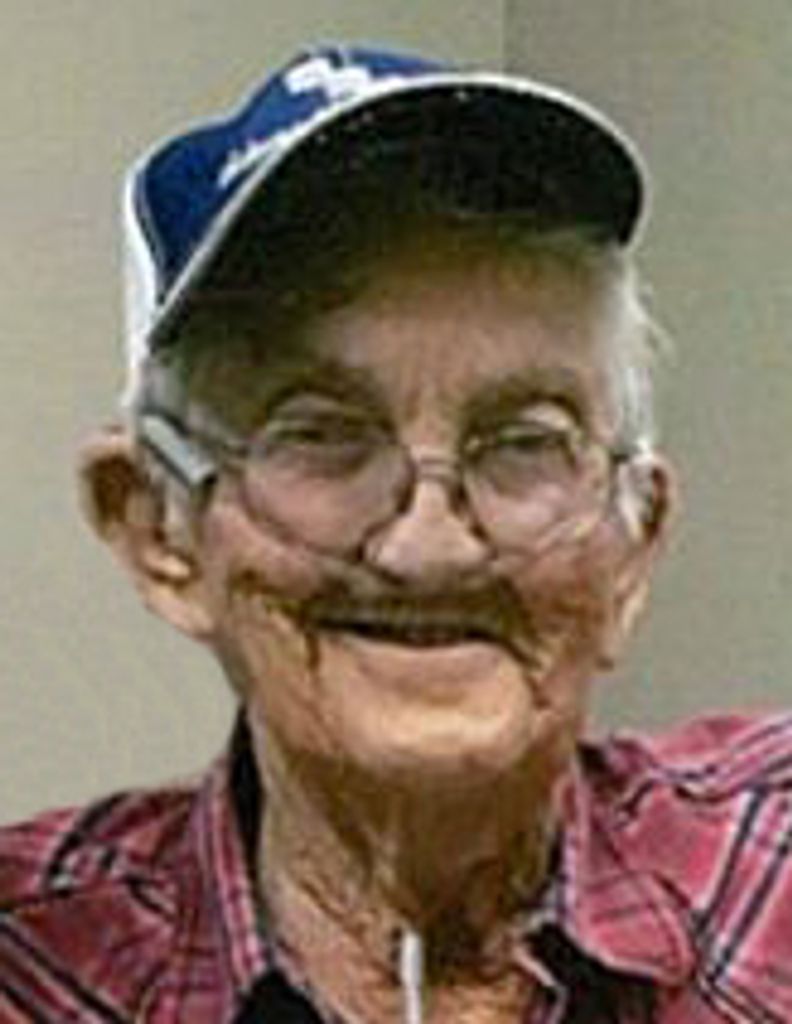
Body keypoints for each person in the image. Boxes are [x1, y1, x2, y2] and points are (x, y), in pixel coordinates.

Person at [1, 42, 791, 1024]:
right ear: (159, 526)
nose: (430, 547)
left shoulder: (769, 872)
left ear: (633, 544)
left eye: (524, 442)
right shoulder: (35, 968)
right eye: (321, 435)